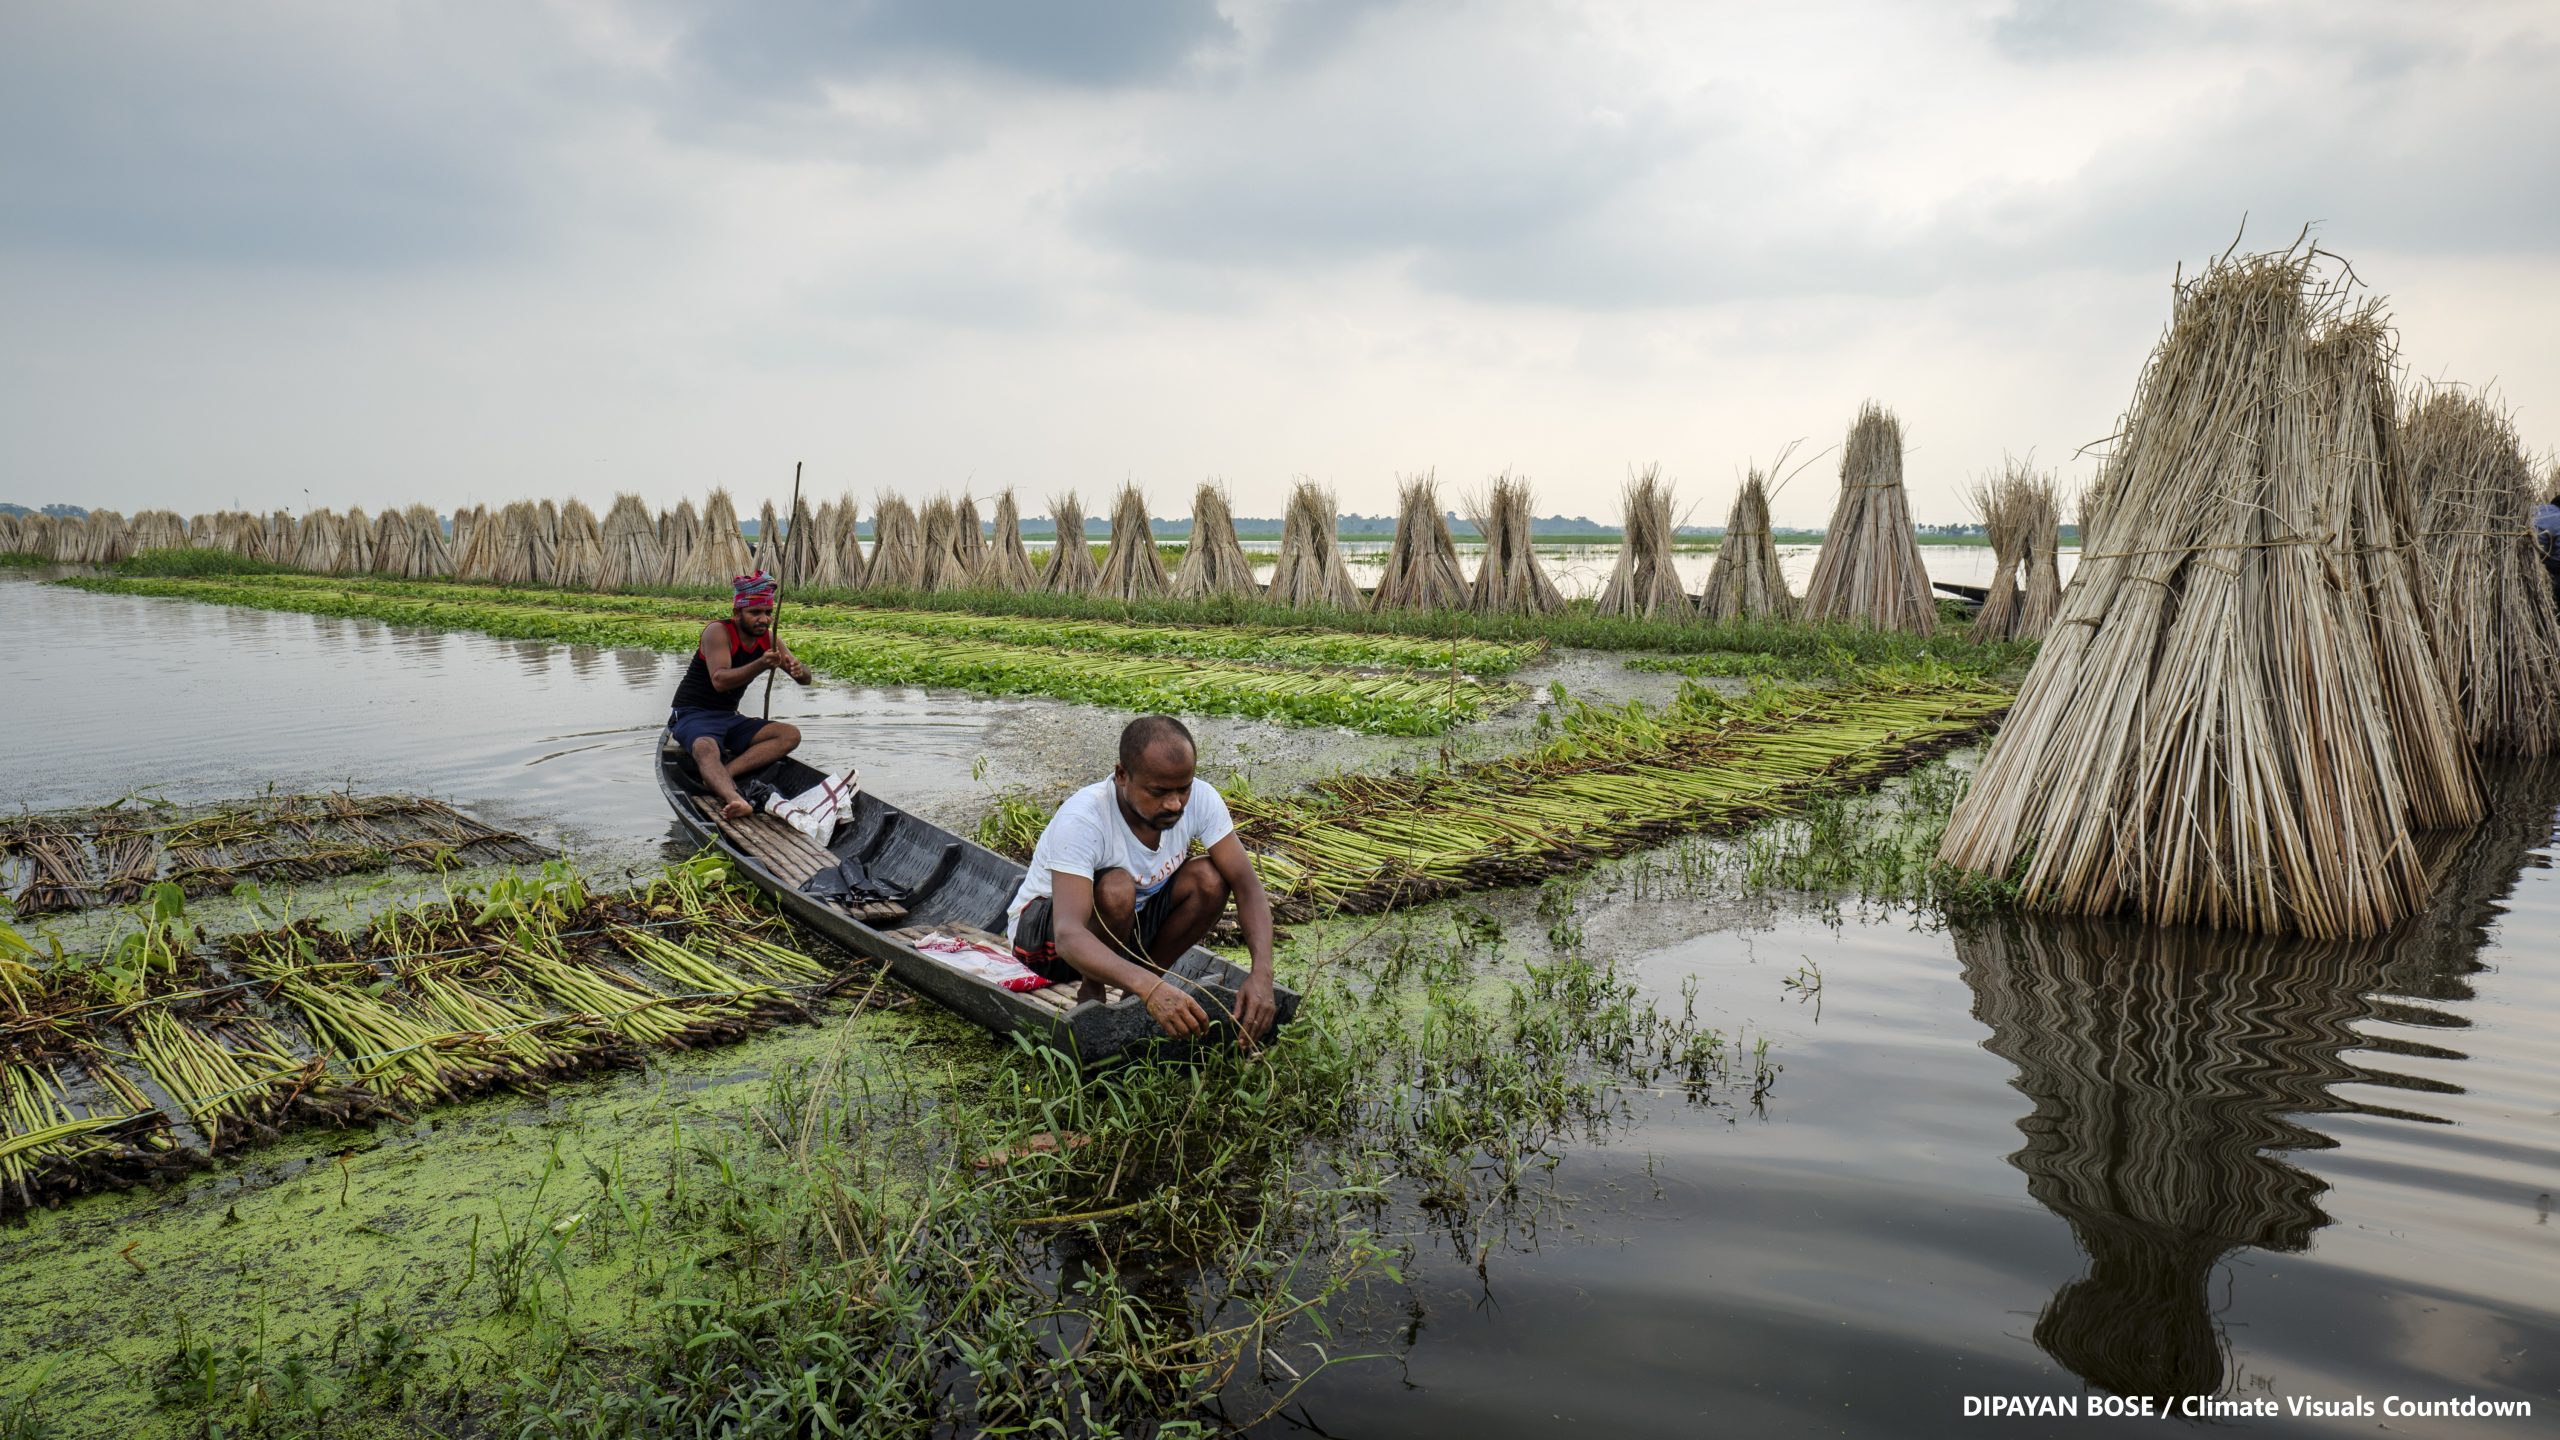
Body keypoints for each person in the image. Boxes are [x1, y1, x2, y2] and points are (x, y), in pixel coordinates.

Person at [1007, 715, 1279, 1043]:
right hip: (1044, 943)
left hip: (1125, 929)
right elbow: (1068, 935)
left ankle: (1139, 990)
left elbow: (1247, 887)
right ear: (1122, 775)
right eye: (1159, 791)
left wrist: (1262, 975)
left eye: (1184, 788)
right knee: (1118, 887)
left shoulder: (1202, 800)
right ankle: (1092, 989)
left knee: (1210, 878)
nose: (1175, 803)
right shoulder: (1084, 818)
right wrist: (1151, 989)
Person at [669, 570, 812, 820]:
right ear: (737, 613)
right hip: (694, 714)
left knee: (789, 734)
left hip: (728, 716)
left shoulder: (769, 639)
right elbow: (720, 681)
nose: (763, 619)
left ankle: (724, 773)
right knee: (705, 747)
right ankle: (735, 798)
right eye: (755, 613)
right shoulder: (718, 632)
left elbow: (805, 680)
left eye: (767, 613)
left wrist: (800, 671)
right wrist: (761, 664)